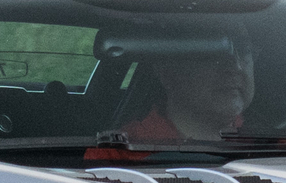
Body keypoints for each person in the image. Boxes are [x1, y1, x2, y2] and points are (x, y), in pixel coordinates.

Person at [86, 47, 254, 160]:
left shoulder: (275, 145)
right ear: (166, 71)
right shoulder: (114, 157)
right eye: (213, 53)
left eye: (245, 52)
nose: (236, 67)